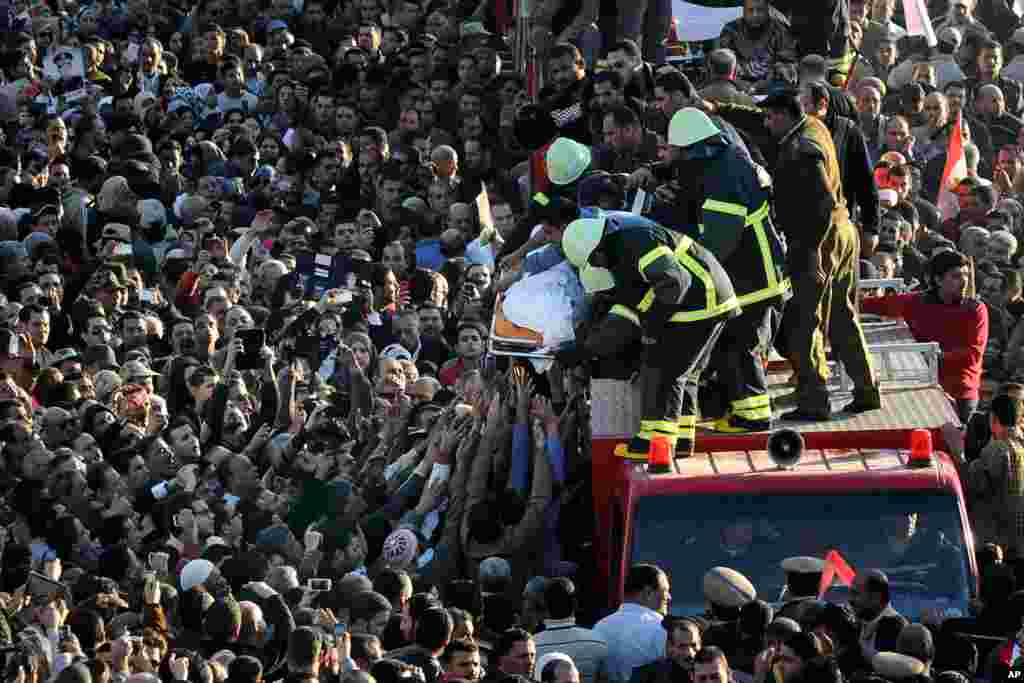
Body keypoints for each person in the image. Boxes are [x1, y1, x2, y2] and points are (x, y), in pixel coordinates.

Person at [760, 87, 880, 421]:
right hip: (844, 232)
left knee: (804, 321)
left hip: (817, 239)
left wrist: (812, 252)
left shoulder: (801, 150)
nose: (767, 125)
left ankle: (814, 399)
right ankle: (868, 389)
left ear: (785, 116)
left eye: (771, 118)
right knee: (843, 315)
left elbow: (822, 202)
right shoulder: (815, 124)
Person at [860, 249, 989, 421]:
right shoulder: (918, 302)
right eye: (956, 276)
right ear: (938, 280)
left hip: (960, 393)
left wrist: (932, 355)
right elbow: (876, 305)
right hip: (923, 389)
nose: (964, 281)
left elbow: (973, 354)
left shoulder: (975, 309)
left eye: (965, 275)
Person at [593, 565, 670, 683]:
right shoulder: (662, 627)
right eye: (665, 591)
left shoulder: (599, 627)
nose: (669, 597)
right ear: (648, 593)